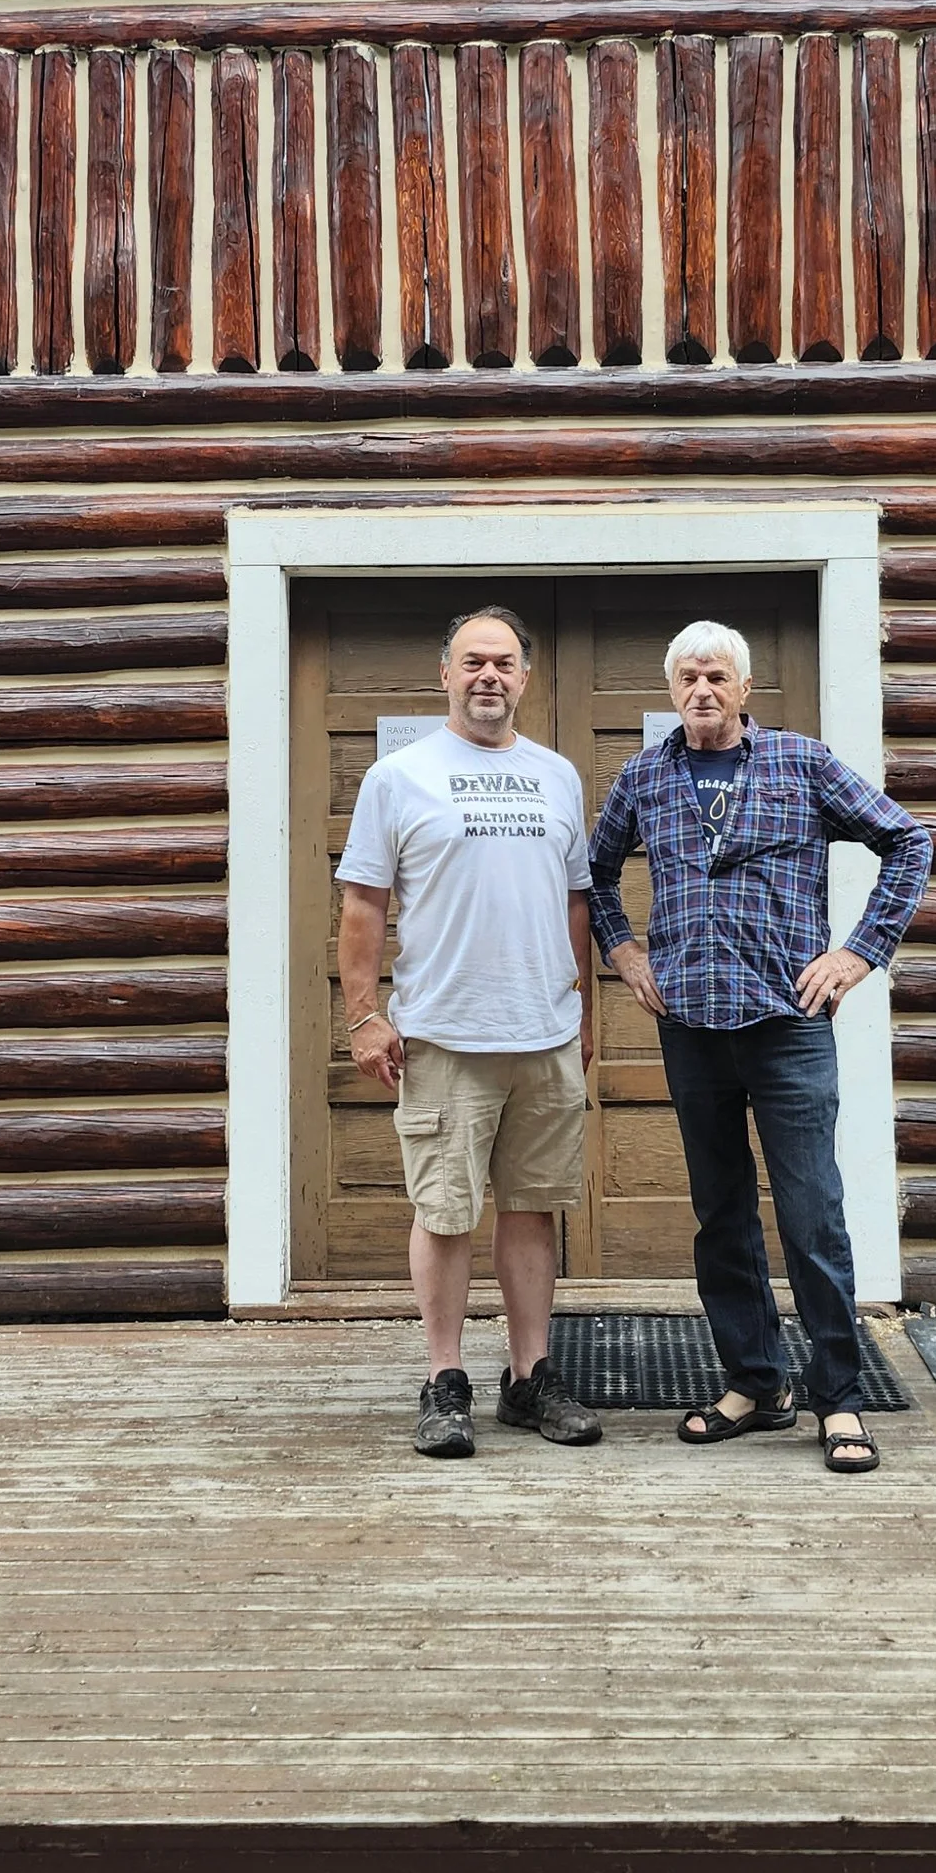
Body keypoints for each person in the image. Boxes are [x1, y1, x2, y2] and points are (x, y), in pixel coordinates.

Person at [588, 619, 930, 1475]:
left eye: (717, 677)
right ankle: (754, 1380)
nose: (702, 690)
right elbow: (591, 870)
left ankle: (840, 1398)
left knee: (812, 1214)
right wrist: (623, 950)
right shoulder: (645, 776)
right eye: (688, 678)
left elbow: (908, 841)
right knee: (722, 1214)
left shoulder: (803, 763)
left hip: (788, 1025)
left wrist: (858, 953)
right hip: (692, 1026)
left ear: (744, 689)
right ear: (672, 691)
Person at [335, 603, 604, 1460]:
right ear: (445, 675)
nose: (489, 675)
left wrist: (583, 1009)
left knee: (531, 1211)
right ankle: (444, 1380)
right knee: (445, 1212)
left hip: (544, 1034)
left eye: (504, 662)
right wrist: (364, 1014)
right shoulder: (399, 777)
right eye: (472, 661)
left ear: (525, 677)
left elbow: (575, 904)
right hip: (445, 1035)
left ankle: (530, 1377)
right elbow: (362, 904)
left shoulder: (558, 774)